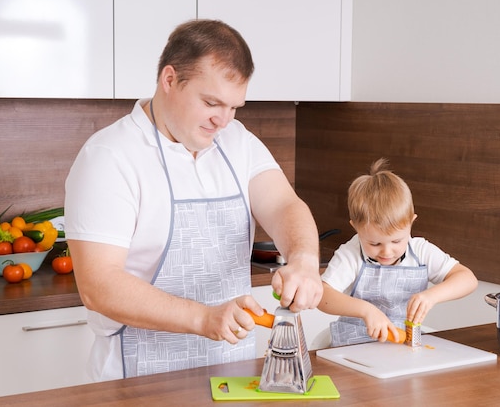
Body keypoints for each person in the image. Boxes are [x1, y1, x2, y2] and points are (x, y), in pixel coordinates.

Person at [64, 19, 323, 381]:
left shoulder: (238, 141)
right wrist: (203, 318)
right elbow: (99, 285)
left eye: (235, 107)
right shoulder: (110, 156)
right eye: (211, 102)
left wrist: (305, 260)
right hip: (139, 377)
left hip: (233, 372)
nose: (223, 120)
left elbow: (284, 205)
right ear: (169, 80)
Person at [318, 158, 477, 347]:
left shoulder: (420, 251)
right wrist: (366, 310)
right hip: (353, 346)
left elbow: (468, 279)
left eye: (396, 241)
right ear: (356, 228)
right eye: (375, 243)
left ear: (411, 222)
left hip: (402, 347)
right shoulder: (350, 254)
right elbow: (322, 296)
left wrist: (431, 296)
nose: (387, 251)